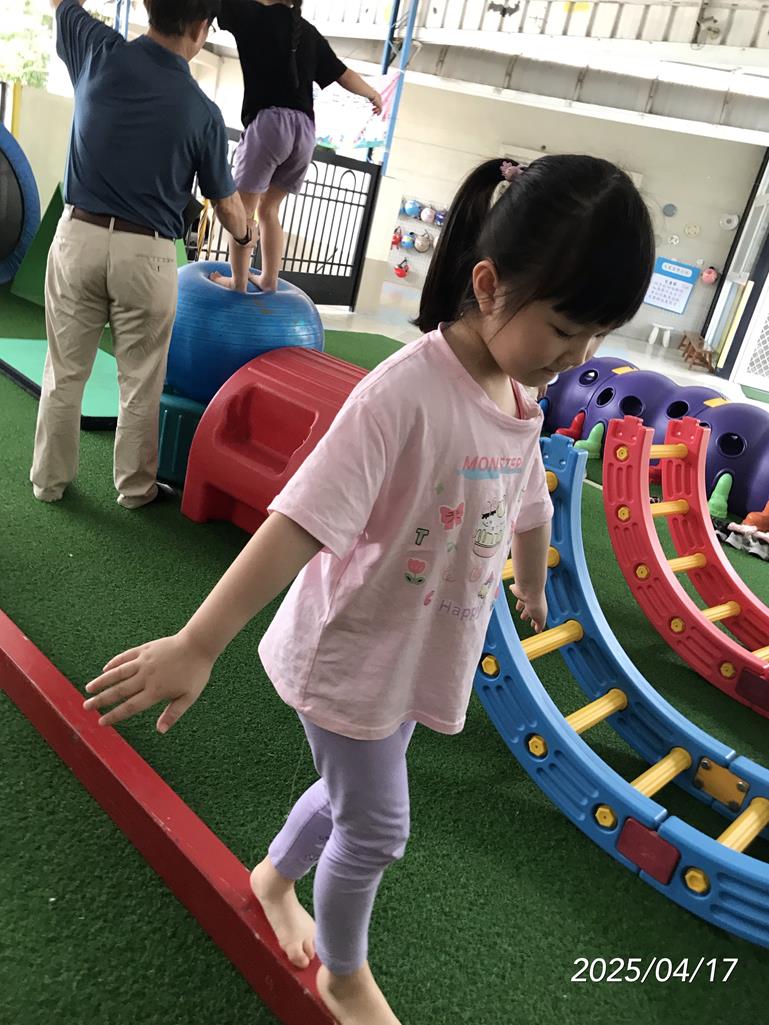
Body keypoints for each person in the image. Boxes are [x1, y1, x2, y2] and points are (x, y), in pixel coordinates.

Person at [83, 154, 655, 1025]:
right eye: (564, 329)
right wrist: (198, 642)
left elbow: (530, 498)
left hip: (413, 652)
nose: (576, 358)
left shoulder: (518, 395)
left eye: (596, 338)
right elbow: (299, 519)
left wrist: (534, 581)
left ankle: (274, 876)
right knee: (378, 826)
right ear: (489, 285)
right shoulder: (404, 394)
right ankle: (342, 974)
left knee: (349, 792)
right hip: (350, 655)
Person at [32, 0, 254, 509]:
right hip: (148, 255)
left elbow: (62, 4)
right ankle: (135, 489)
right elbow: (226, 204)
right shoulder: (202, 111)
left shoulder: (96, 49)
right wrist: (246, 237)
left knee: (64, 373)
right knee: (140, 382)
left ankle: (49, 483)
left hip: (78, 236)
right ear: (200, 28)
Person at [210, 0, 383, 294]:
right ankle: (269, 279)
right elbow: (344, 74)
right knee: (269, 209)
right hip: (304, 133)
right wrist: (373, 94)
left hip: (269, 126)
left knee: (243, 211)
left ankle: (237, 283)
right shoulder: (307, 31)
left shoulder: (250, 12)